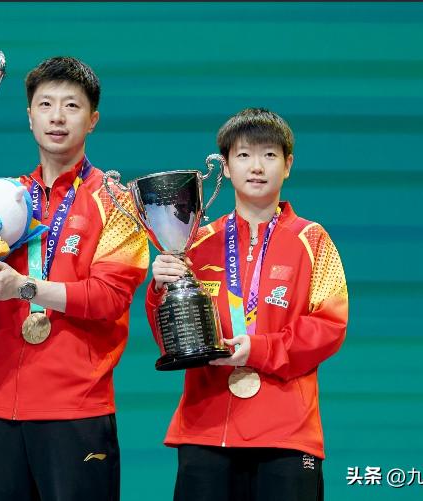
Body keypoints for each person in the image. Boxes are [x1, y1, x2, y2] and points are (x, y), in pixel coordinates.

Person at [0, 56, 149, 501]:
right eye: (46, 104)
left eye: (71, 106)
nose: (57, 117)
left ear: (93, 120)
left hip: (76, 409)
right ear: (29, 116)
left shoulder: (119, 203)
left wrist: (24, 288)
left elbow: (109, 297)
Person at [146, 108, 348, 501]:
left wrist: (258, 349)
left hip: (287, 434)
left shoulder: (312, 239)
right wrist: (160, 289)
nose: (256, 166)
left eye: (269, 155)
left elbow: (329, 327)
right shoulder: (195, 242)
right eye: (243, 155)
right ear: (225, 166)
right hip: (206, 431)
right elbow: (171, 340)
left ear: (288, 165)